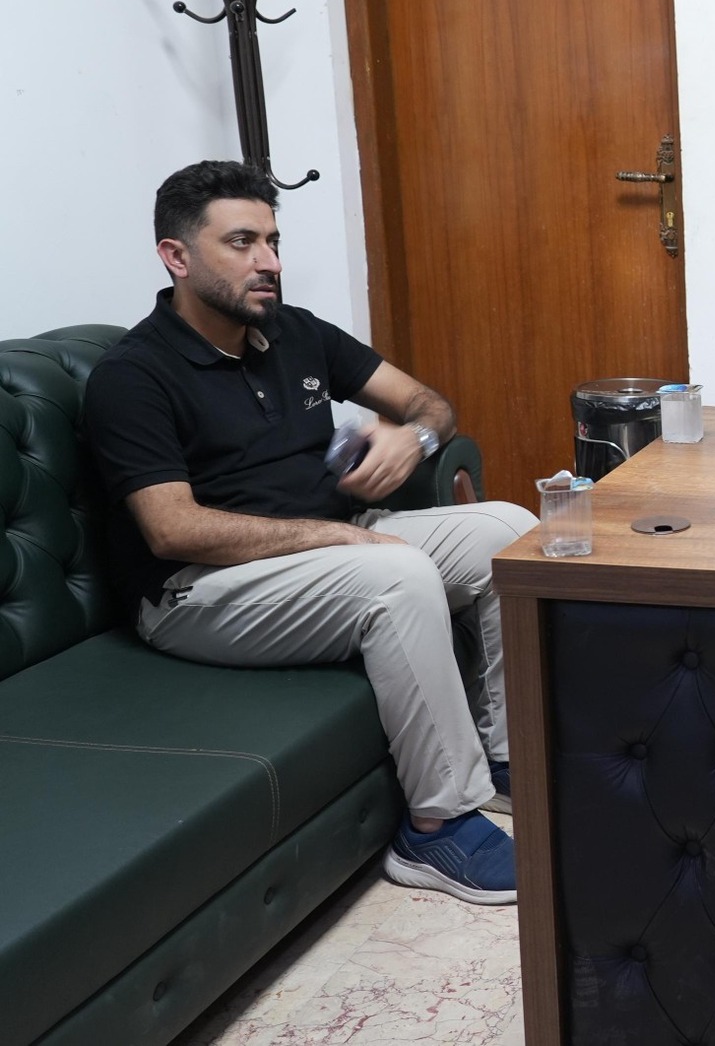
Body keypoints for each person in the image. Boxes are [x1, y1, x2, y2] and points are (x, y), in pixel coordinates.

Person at [84, 161, 538, 906]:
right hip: (198, 591)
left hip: (331, 545)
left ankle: (507, 760)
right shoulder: (133, 375)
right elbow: (172, 530)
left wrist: (415, 440)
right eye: (242, 242)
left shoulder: (291, 331)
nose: (268, 261)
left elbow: (429, 403)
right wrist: (342, 541)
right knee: (398, 576)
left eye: (272, 240)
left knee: (510, 532)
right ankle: (437, 825)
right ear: (176, 256)